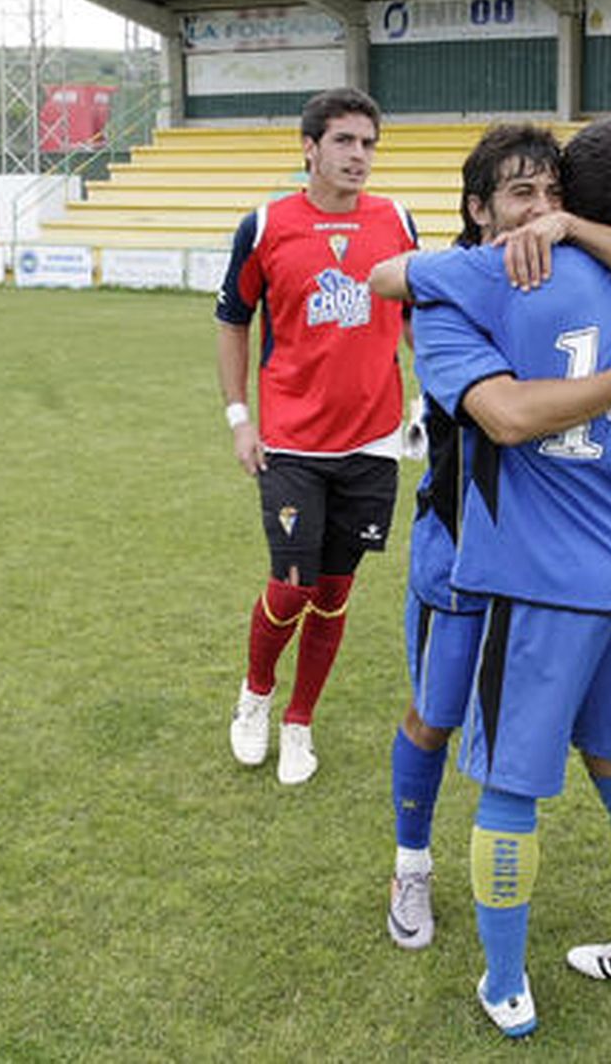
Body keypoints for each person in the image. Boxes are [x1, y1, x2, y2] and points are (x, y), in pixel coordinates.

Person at [373, 126, 611, 967]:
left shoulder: (587, 263)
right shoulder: (457, 290)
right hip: (463, 554)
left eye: (552, 195)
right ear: (478, 209)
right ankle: (411, 865)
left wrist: (570, 231)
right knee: (435, 718)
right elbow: (496, 408)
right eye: (521, 196)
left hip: (550, 564)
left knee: (602, 743)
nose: (540, 211)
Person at [215, 86, 415, 786]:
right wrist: (240, 418)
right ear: (310, 147)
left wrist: (428, 401)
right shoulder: (266, 225)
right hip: (294, 442)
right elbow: (234, 321)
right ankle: (257, 694)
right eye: (344, 142)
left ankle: (300, 722)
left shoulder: (397, 220)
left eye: (368, 144)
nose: (359, 156)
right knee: (293, 584)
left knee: (334, 591)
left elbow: (420, 314)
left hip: (374, 443)